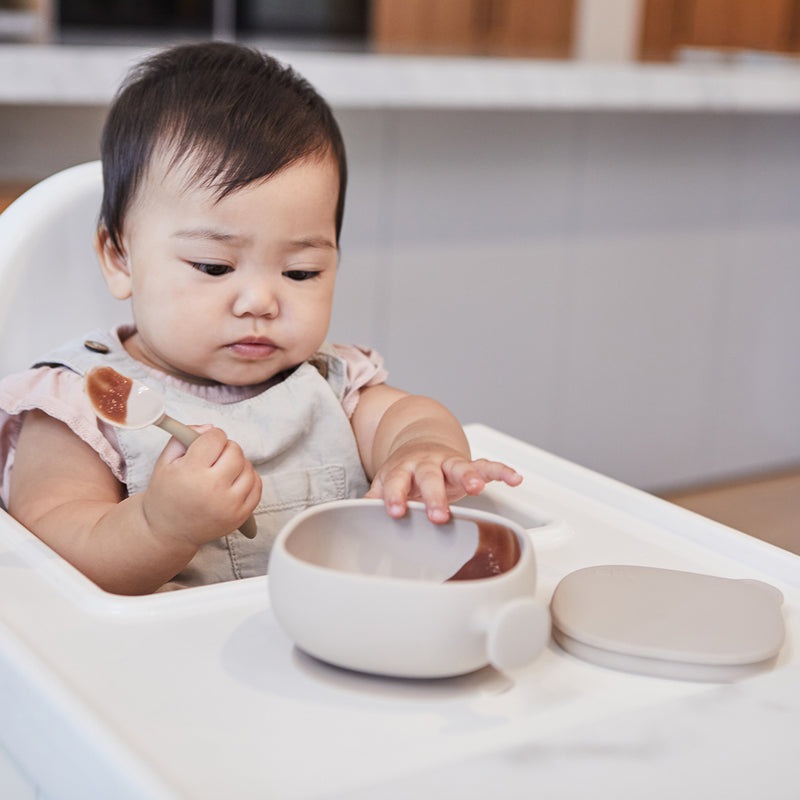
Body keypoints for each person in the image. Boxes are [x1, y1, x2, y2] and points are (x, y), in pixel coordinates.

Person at [0, 42, 521, 595]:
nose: (260, 302)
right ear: (119, 258)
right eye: (214, 265)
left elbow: (412, 419)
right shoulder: (82, 404)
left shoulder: (329, 384)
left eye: (300, 272)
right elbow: (50, 558)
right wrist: (160, 525)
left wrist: (422, 454)